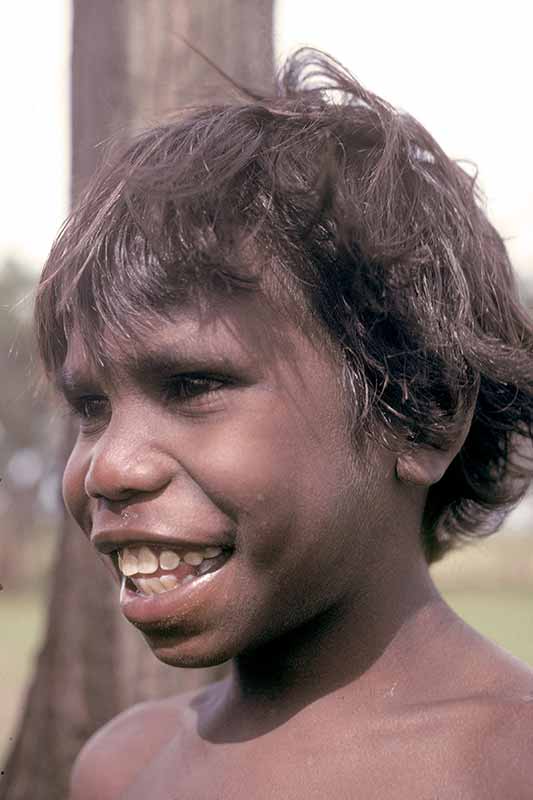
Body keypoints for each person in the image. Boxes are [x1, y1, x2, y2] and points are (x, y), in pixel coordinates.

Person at [35, 50, 533, 799]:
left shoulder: (508, 765)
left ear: (420, 418)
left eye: (193, 384)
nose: (108, 468)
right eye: (91, 409)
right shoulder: (124, 768)